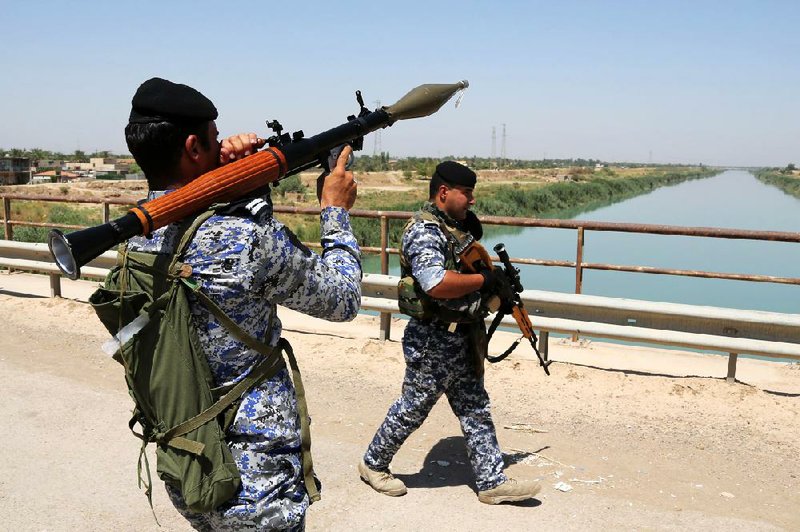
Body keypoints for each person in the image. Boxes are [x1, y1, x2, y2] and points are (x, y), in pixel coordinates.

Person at [123, 77, 361, 530]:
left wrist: (245, 184)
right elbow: (343, 299)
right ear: (193, 147)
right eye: (214, 141)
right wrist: (335, 210)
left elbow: (212, 235)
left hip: (190, 463)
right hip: (256, 482)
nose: (223, 148)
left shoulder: (137, 234)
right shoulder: (246, 241)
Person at [358, 161, 541, 504]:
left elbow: (465, 280)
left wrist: (493, 295)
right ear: (444, 193)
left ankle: (491, 482)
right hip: (433, 341)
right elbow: (436, 283)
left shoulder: (454, 230)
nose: (472, 201)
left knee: (475, 408)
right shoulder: (424, 231)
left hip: (462, 338)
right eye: (467, 193)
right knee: (413, 408)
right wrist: (486, 280)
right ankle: (373, 463)